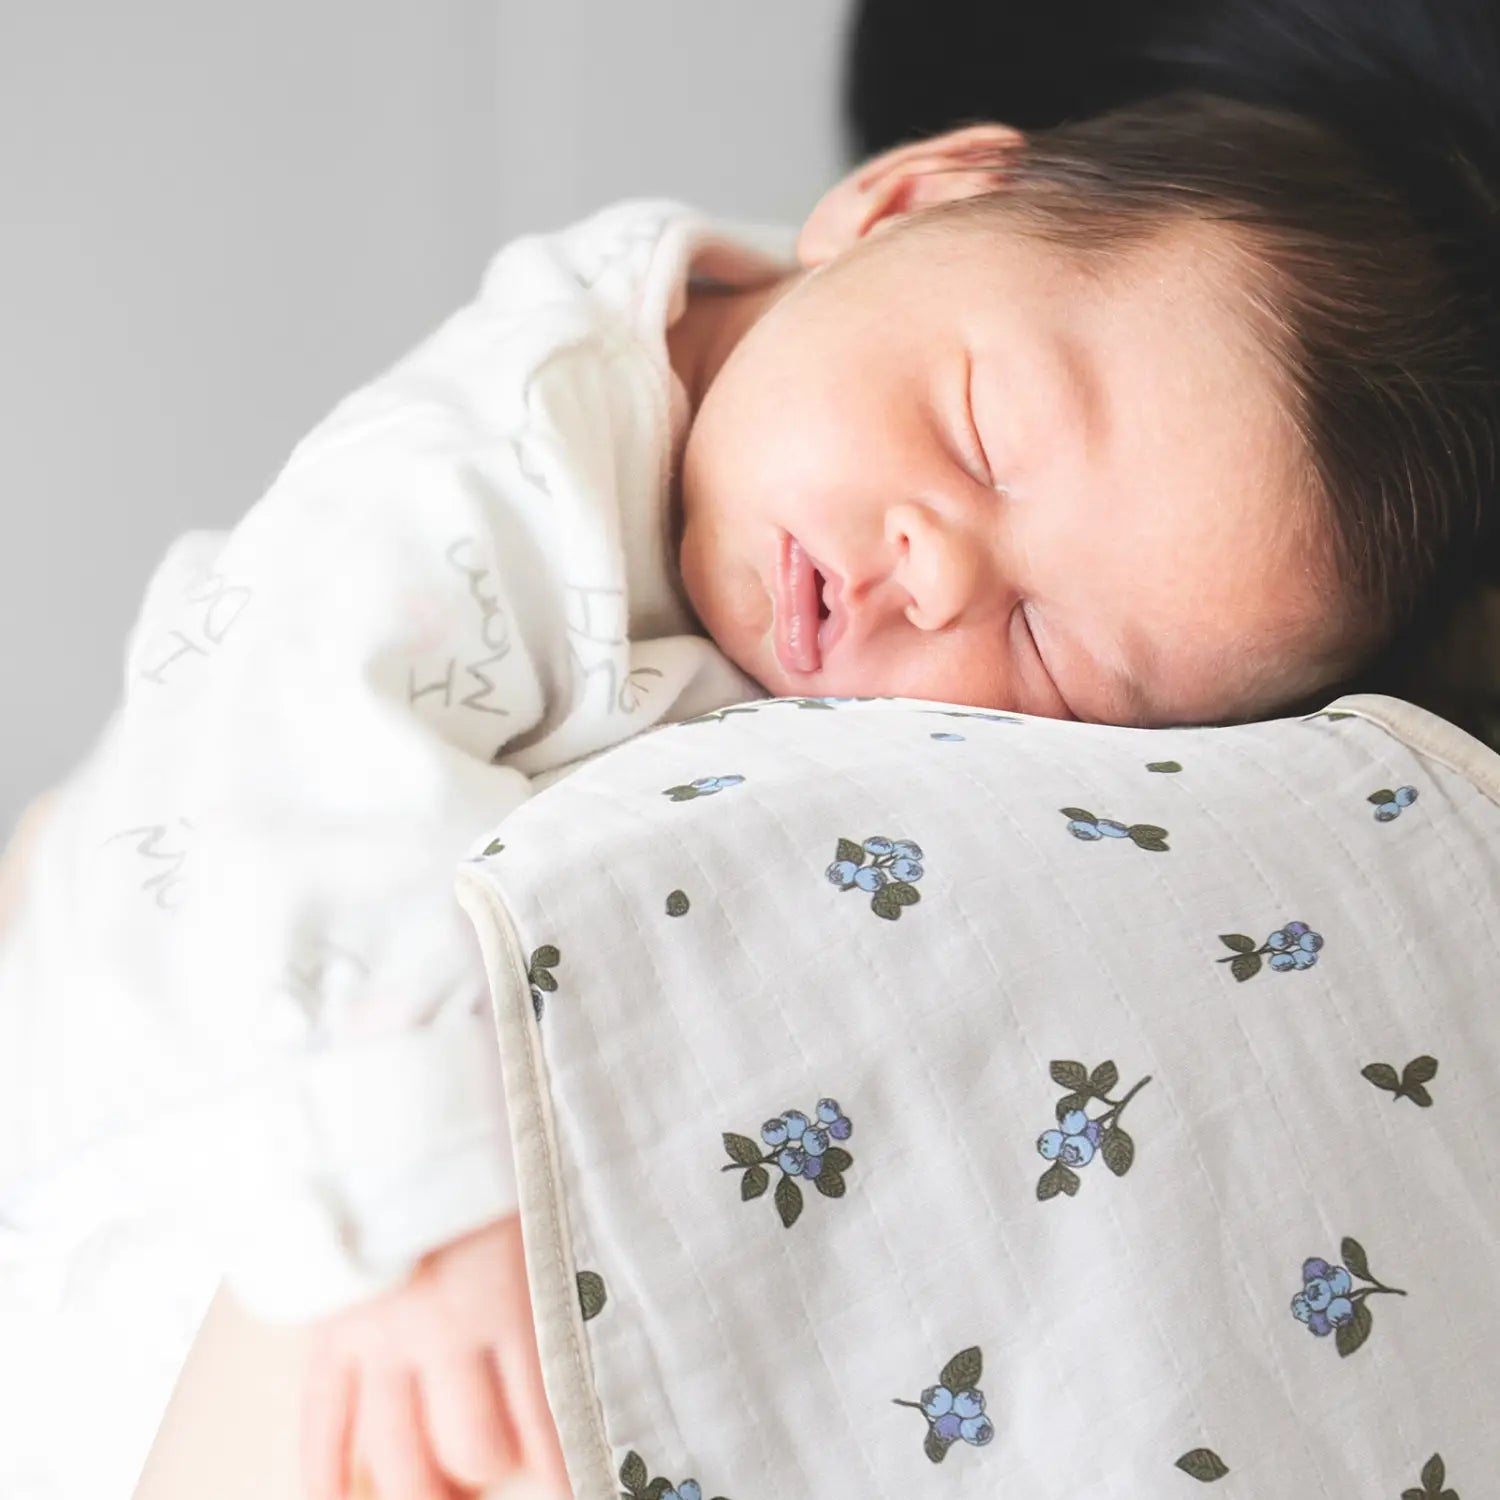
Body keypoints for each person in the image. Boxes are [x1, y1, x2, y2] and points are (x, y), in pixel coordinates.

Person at [5, 81, 1499, 1500]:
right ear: (901, 197)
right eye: (980, 434)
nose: (941, 572)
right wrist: (427, 1210)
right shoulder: (491, 459)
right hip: (168, 1131)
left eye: (1048, 651)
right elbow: (289, 768)